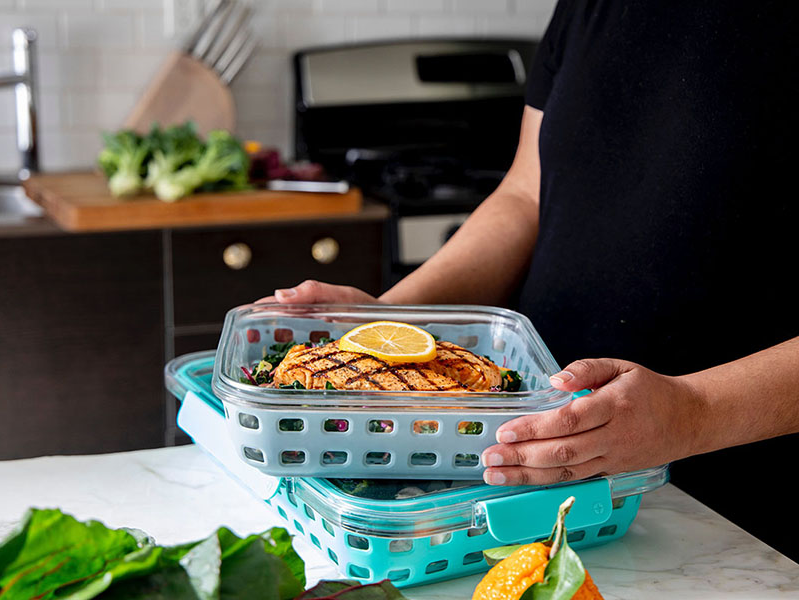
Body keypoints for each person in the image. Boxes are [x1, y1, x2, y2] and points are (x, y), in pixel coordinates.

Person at [258, 1, 799, 559]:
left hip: (738, 513)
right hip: (526, 473)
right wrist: (390, 319)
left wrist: (692, 412)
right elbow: (526, 195)